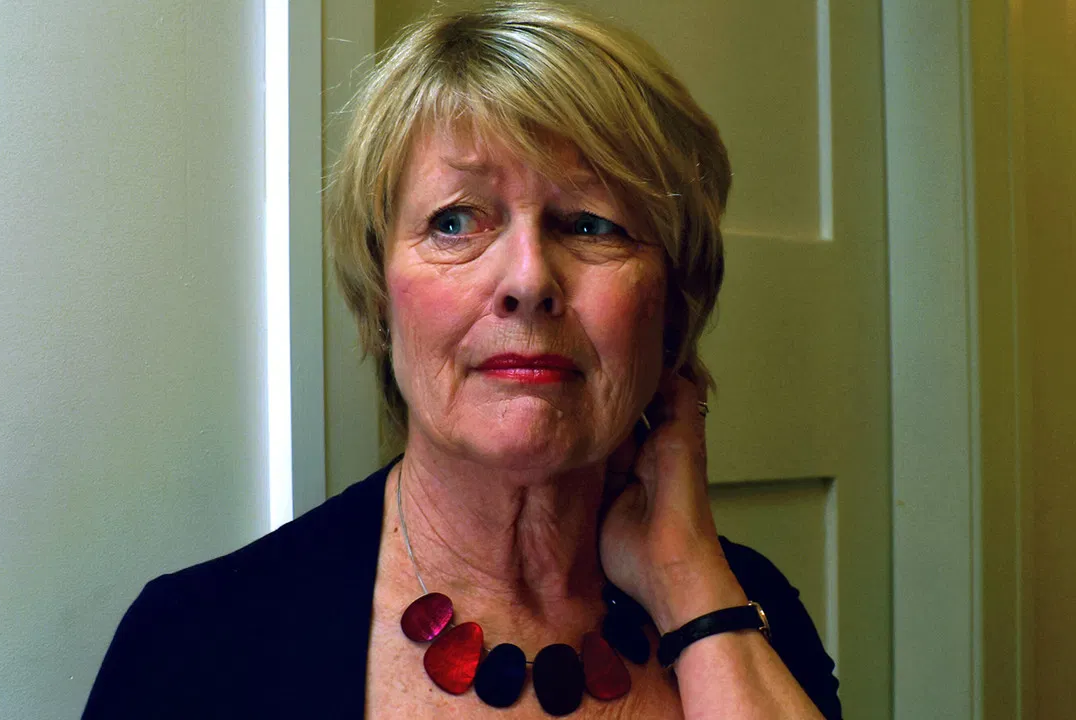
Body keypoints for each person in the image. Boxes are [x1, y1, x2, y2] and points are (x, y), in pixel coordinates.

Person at [83, 3, 842, 718]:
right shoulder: (194, 646)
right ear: (380, 294)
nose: (528, 281)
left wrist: (689, 586)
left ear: (672, 307)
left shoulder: (748, 612)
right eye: (455, 222)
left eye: (591, 223)